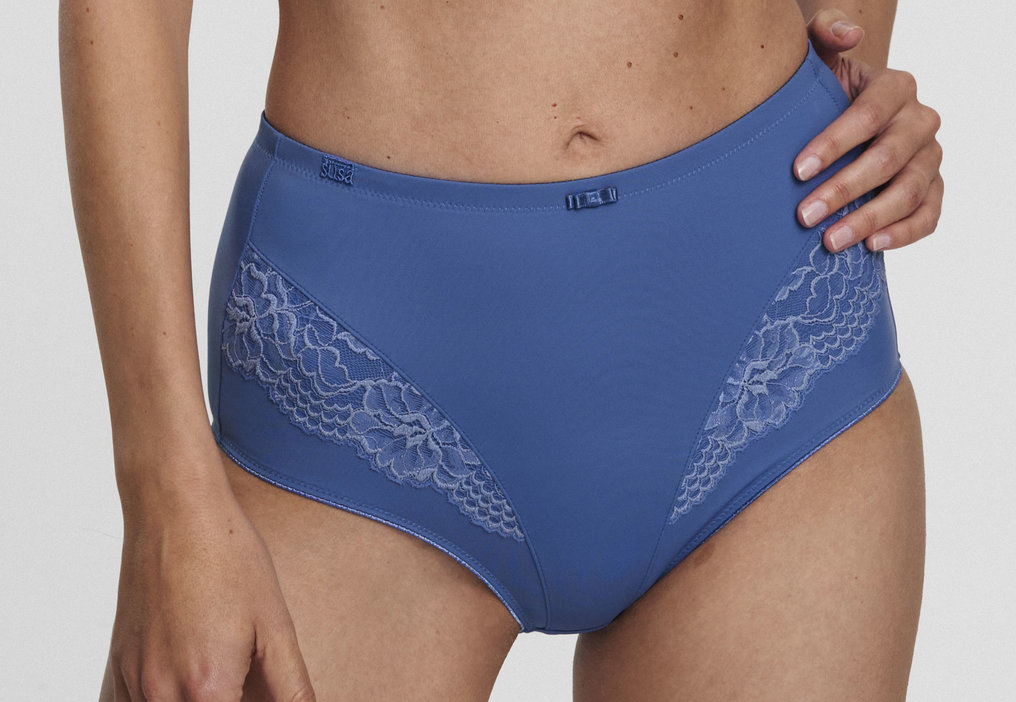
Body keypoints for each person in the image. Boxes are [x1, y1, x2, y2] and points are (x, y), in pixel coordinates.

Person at [59, 0, 942, 699]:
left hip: (770, 315)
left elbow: (843, 39)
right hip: (366, 366)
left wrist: (853, 82)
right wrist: (163, 496)